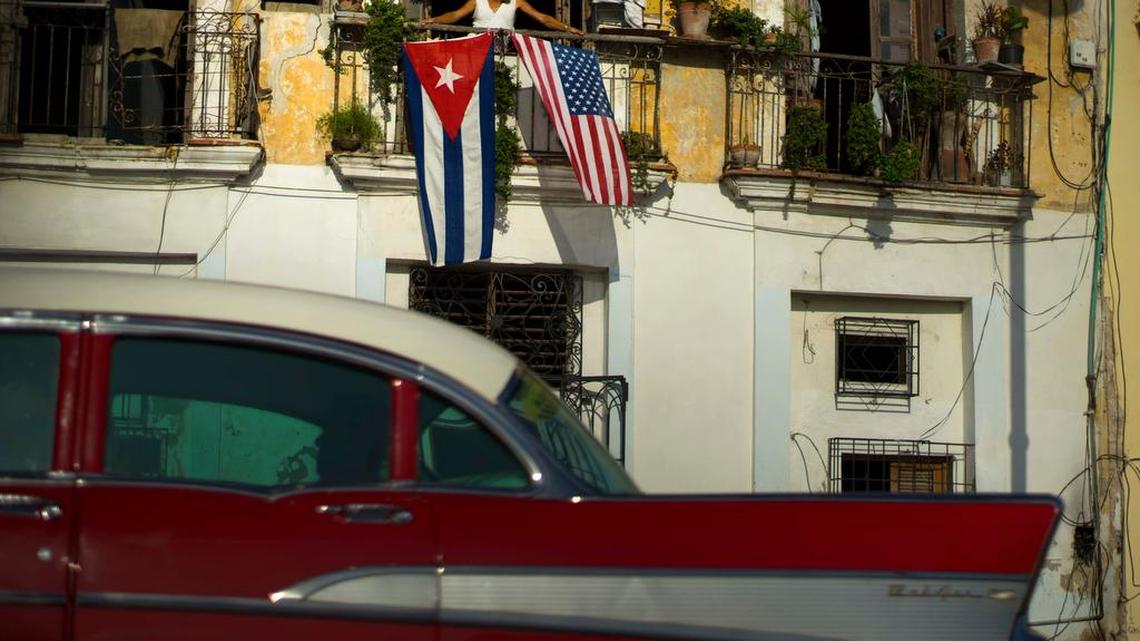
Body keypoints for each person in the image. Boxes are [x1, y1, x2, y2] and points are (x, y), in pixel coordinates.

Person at [420, 0, 585, 35]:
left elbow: (542, 18)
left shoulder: (516, 2)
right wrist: (433, 20)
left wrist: (567, 28)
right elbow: (454, 15)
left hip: (503, 52)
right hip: (476, 49)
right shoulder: (476, 2)